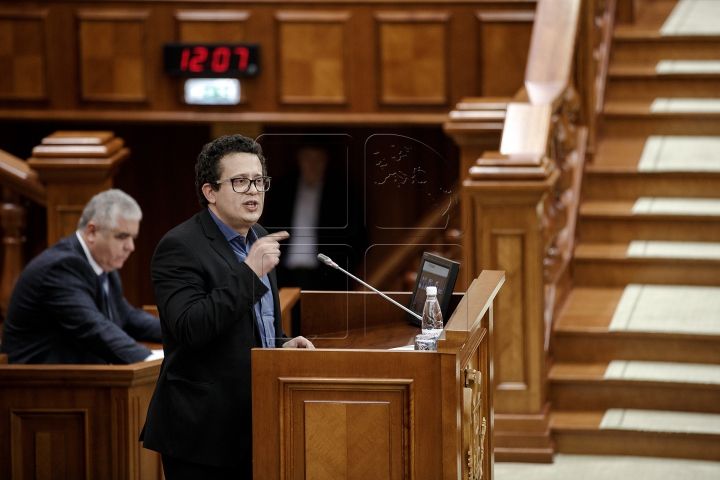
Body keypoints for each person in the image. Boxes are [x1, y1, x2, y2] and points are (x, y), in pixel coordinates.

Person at [141, 134, 314, 479]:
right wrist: (249, 273)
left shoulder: (259, 236)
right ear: (211, 192)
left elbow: (255, 326)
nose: (253, 190)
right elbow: (191, 328)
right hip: (202, 436)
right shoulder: (179, 247)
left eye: (258, 181)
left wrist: (281, 346)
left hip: (258, 427)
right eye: (239, 182)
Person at [0, 189, 162, 364]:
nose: (131, 247)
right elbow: (93, 328)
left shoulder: (103, 265)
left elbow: (127, 317)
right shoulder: (61, 267)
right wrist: (149, 359)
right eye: (122, 237)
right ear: (92, 232)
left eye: (133, 238)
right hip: (38, 385)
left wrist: (183, 334)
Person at [263, 144, 367, 291]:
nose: (312, 165)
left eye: (318, 159)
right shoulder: (283, 189)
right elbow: (268, 229)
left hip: (328, 276)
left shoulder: (342, 192)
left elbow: (358, 237)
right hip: (284, 274)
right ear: (298, 159)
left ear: (326, 161)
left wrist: (342, 266)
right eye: (307, 159)